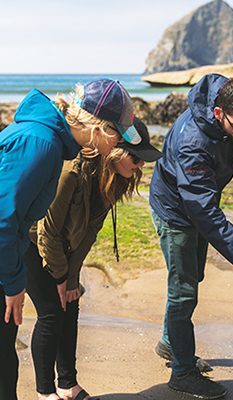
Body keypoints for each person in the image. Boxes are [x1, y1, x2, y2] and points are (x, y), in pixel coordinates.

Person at [0, 78, 142, 400]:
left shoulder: (51, 142)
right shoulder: (42, 144)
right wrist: (12, 283)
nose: (119, 144)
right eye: (119, 134)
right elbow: (4, 219)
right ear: (100, 129)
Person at [150, 73, 233, 399]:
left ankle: (171, 342)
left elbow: (205, 208)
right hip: (176, 211)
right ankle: (182, 373)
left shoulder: (224, 96)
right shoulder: (193, 144)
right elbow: (204, 213)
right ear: (219, 114)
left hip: (196, 203)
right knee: (183, 292)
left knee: (194, 276)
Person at [24, 117, 162, 400]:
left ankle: (67, 385)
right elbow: (46, 231)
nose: (140, 166)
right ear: (116, 150)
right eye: (137, 159)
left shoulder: (114, 180)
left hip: (62, 248)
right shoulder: (71, 171)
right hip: (28, 241)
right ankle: (44, 392)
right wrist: (60, 276)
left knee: (70, 305)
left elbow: (88, 233)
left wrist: (72, 278)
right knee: (51, 313)